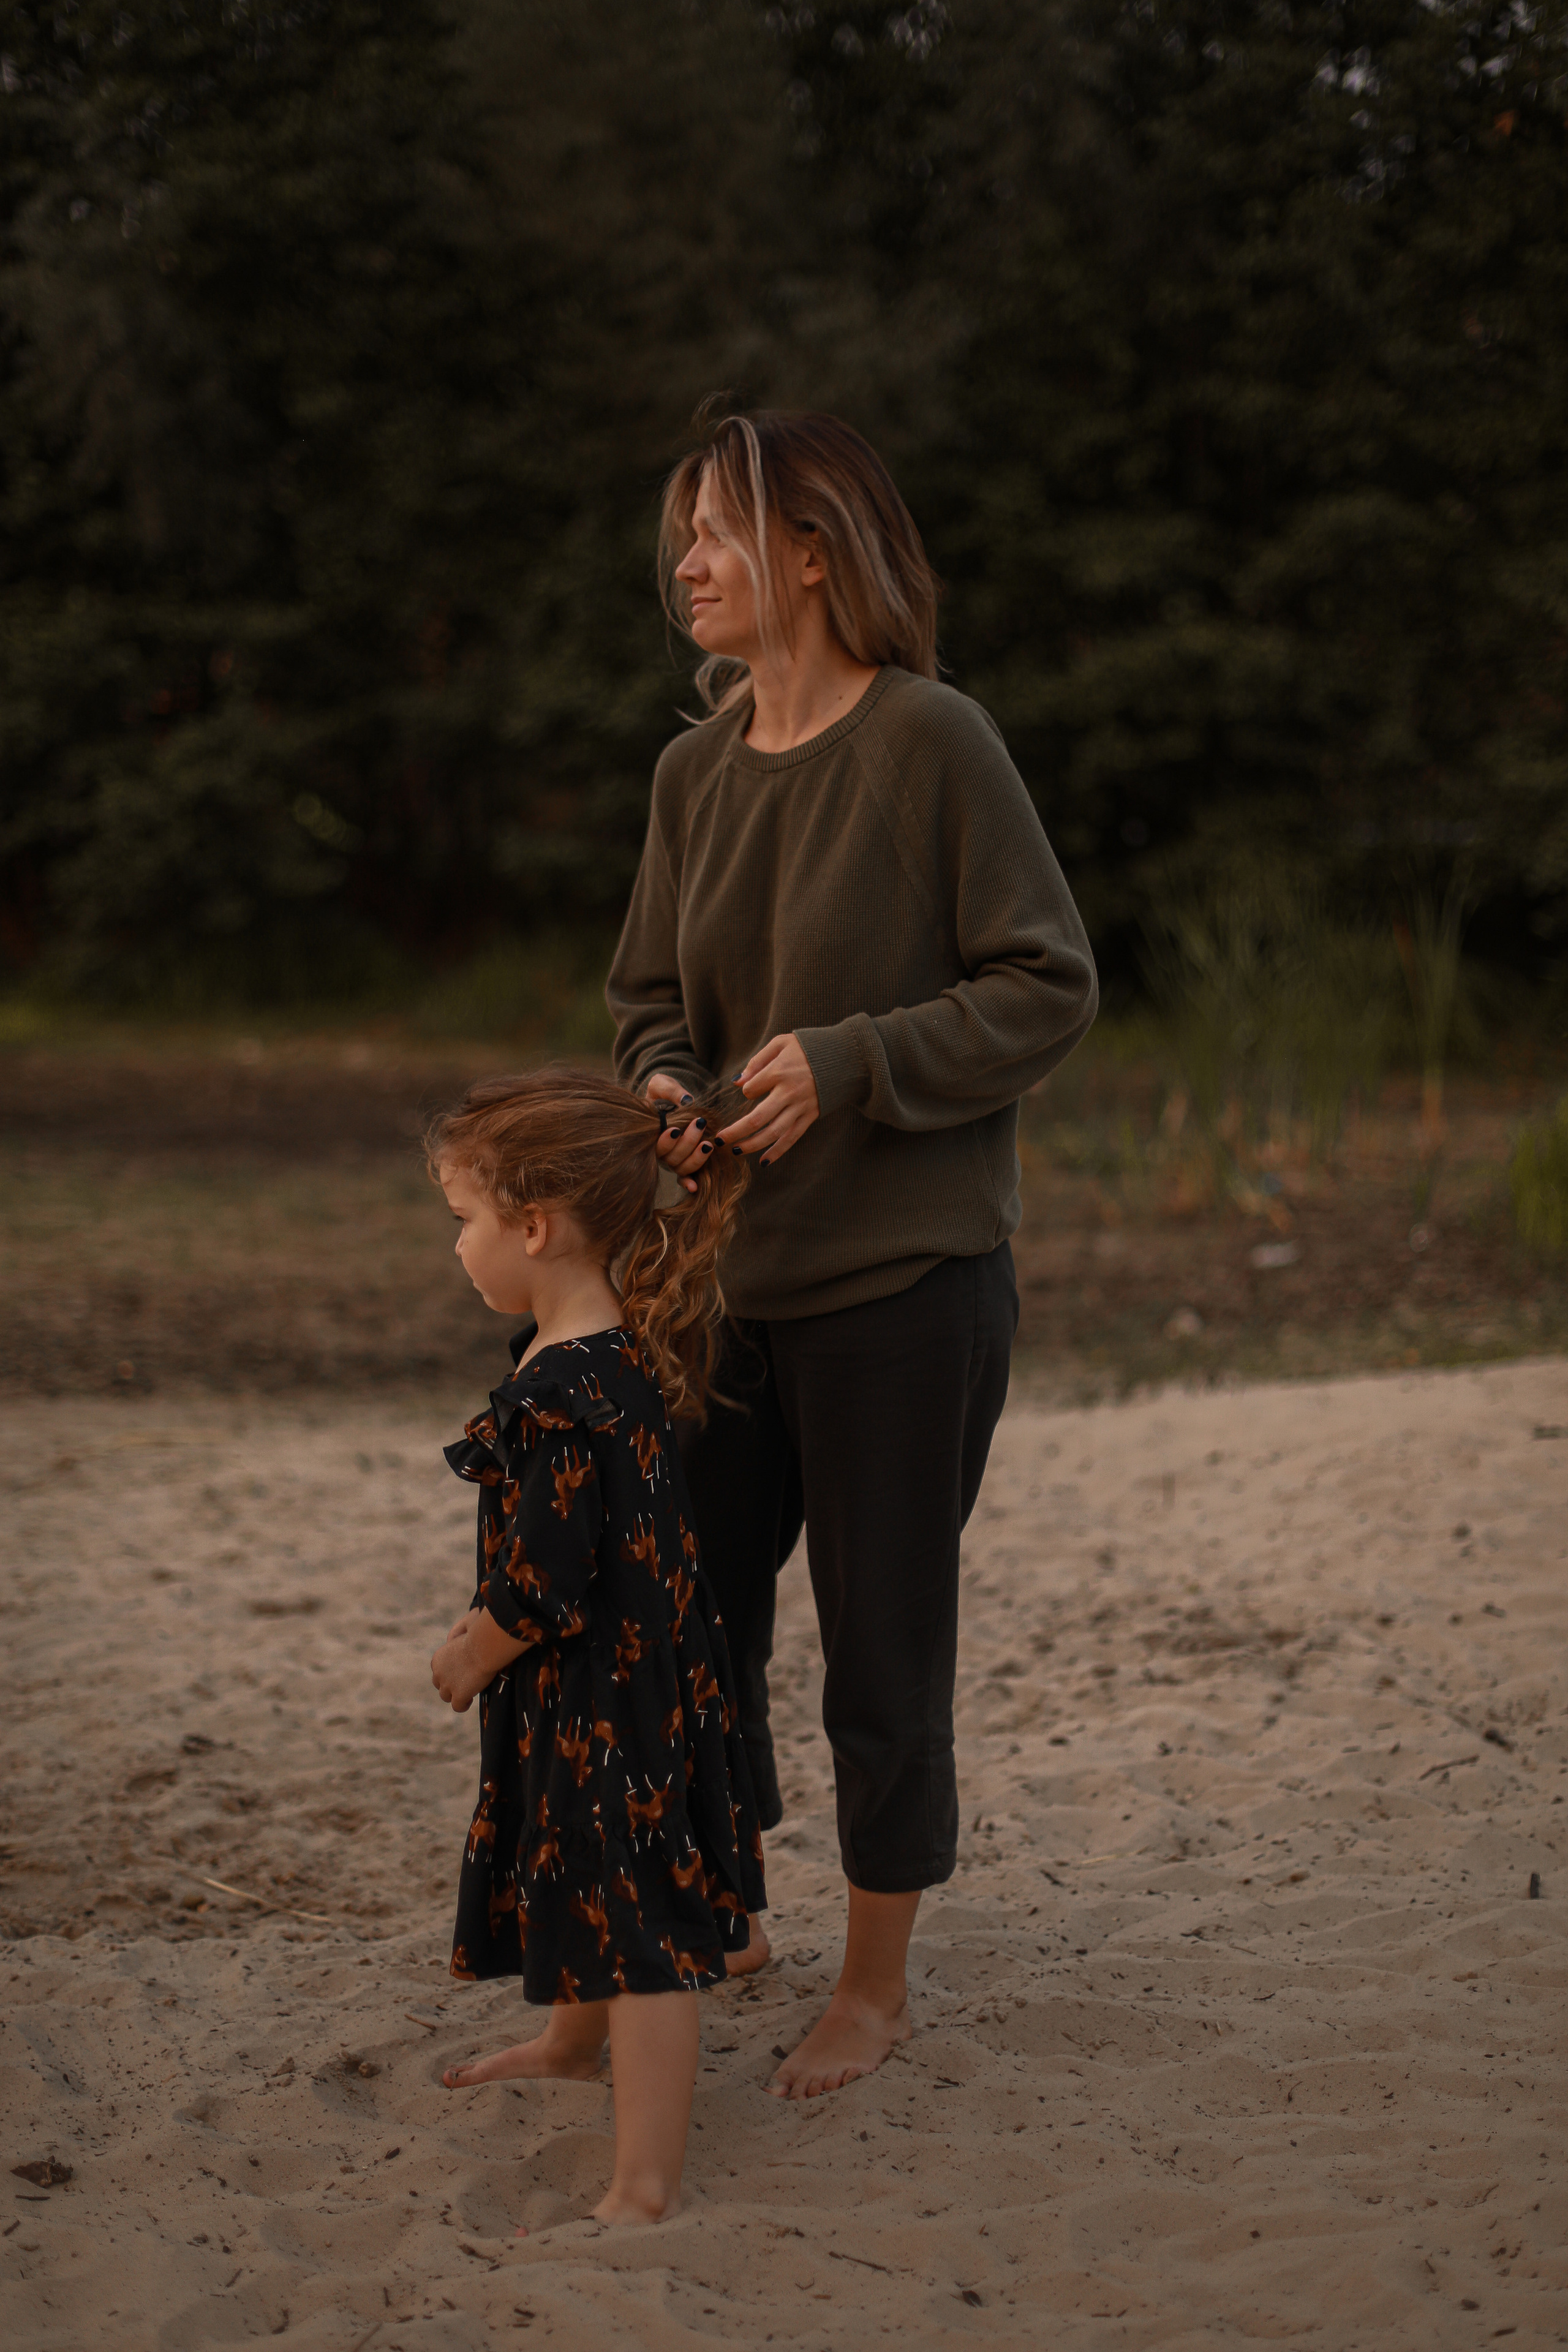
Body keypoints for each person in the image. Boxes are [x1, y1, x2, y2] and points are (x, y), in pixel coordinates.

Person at [607, 408, 1098, 2100]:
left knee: (882, 1648)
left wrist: (853, 1062)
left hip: (910, 1290)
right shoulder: (689, 774)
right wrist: (666, 1088)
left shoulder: (934, 745)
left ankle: (873, 1983)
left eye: (717, 534)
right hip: (727, 1291)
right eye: (683, 535)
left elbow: (1046, 982)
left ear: (810, 551)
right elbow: (646, 1002)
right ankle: (728, 1905)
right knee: (692, 1625)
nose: (687, 565)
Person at [426, 1067, 766, 2226]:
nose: (459, 1245)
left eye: (465, 1219)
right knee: (586, 1871)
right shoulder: (589, 1350)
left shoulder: (567, 1386)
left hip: (608, 1693)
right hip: (624, 1681)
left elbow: (550, 1575)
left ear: (536, 1224)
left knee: (643, 1926)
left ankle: (645, 2182)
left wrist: (477, 1648)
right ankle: (574, 2043)